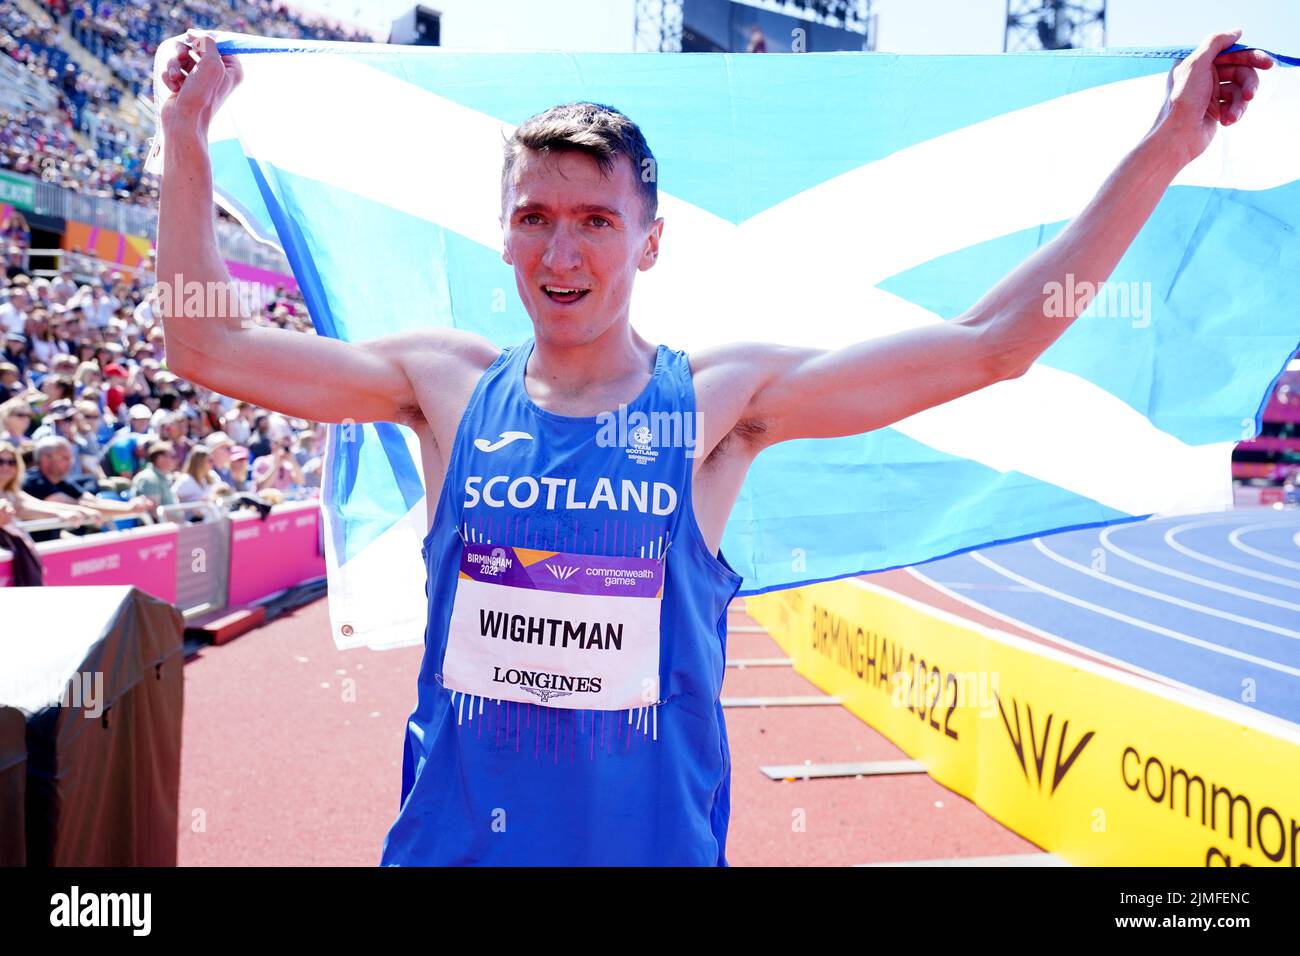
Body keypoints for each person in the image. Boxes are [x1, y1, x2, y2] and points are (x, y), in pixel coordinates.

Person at [157, 30, 1270, 865]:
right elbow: (204, 341)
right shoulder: (444, 383)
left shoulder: (719, 400)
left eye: (595, 219)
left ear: (650, 238)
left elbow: (990, 345)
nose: (561, 247)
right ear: (502, 232)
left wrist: (1168, 145)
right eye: (534, 214)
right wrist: (185, 135)